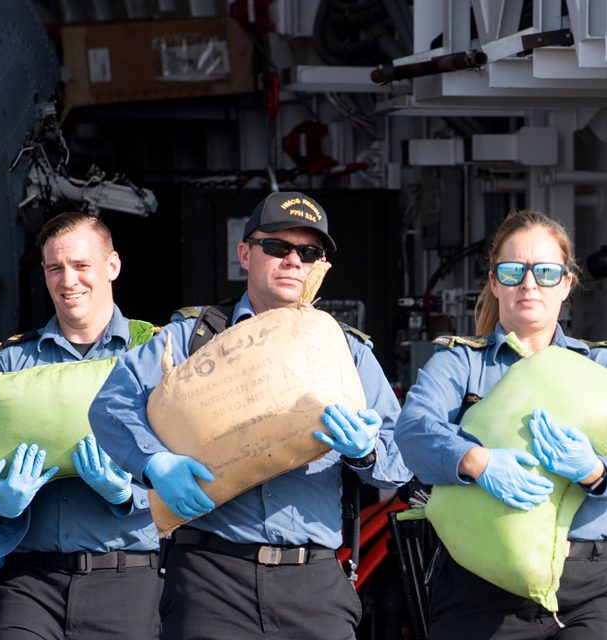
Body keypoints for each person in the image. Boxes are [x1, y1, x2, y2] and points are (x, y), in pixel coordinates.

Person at [88, 191, 410, 640]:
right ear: (245, 253)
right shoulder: (193, 337)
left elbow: (398, 460)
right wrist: (154, 463)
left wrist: (366, 452)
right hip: (210, 579)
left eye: (308, 252)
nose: (293, 261)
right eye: (277, 247)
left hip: (312, 581)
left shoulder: (346, 350)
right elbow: (110, 405)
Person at [395, 209, 607, 639]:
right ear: (494, 282)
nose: (529, 284)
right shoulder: (461, 363)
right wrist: (477, 461)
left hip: (589, 584)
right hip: (482, 588)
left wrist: (592, 469)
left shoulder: (604, 364)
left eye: (546, 272)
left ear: (567, 283)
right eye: (513, 271)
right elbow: (413, 430)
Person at [0, 212, 160, 639]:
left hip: (127, 581)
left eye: (81, 266)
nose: (68, 280)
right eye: (55, 268)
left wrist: (127, 493)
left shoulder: (153, 356)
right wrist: (1, 504)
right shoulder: (10, 365)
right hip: (30, 582)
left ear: (112, 266)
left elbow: (196, 470)